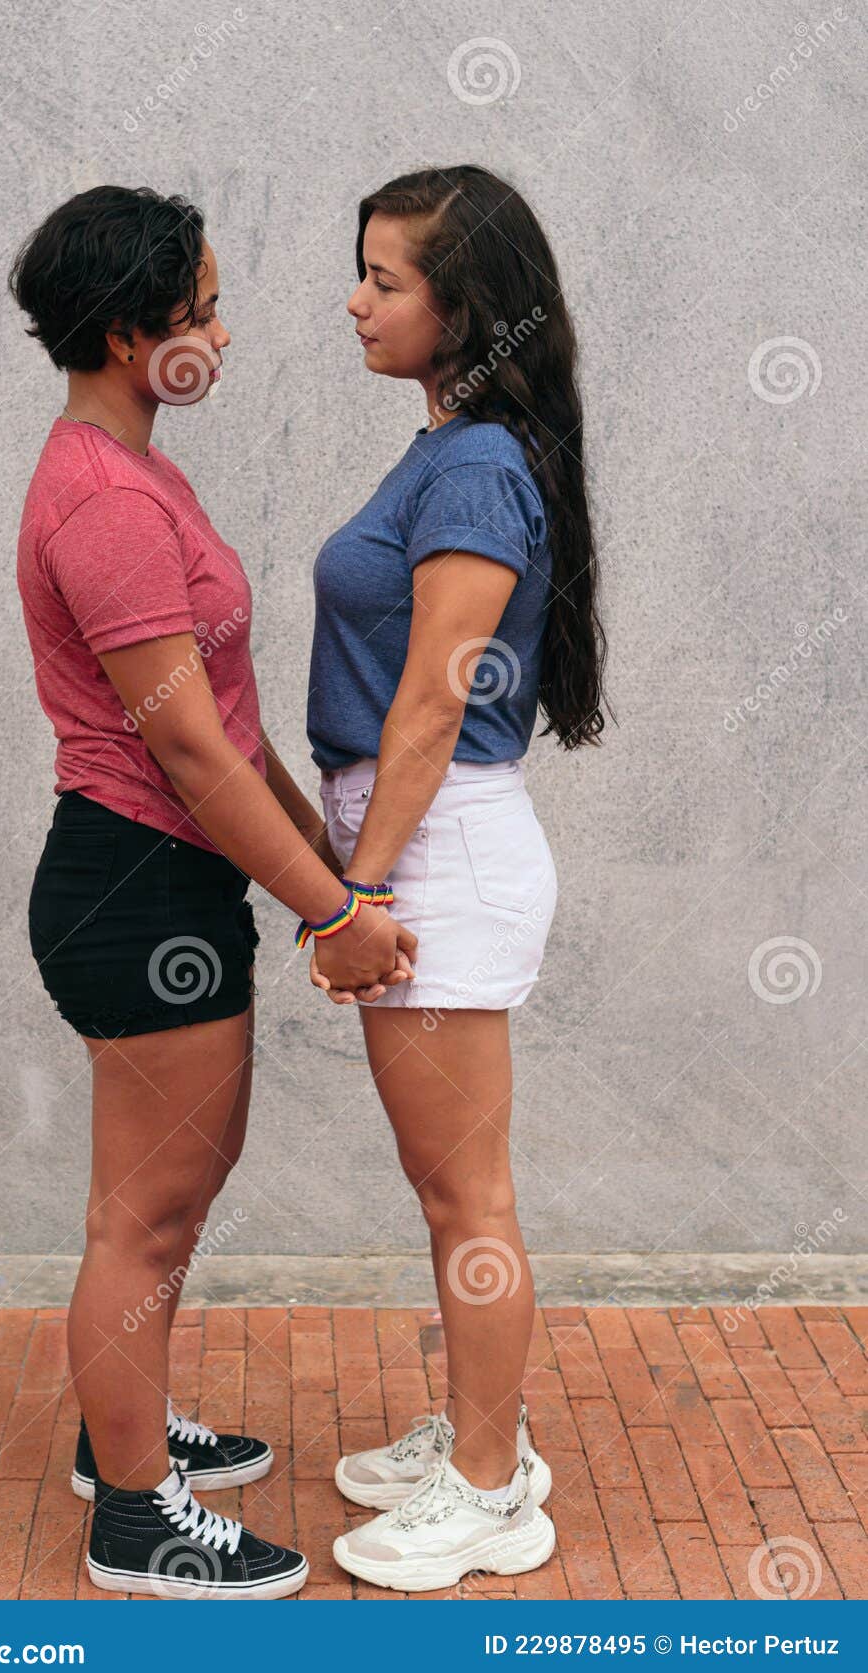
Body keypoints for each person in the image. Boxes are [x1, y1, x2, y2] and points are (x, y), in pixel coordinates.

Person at [9, 185, 416, 1598]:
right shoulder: (106, 499)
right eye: (200, 312)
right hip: (137, 887)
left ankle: (119, 1426)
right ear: (131, 335)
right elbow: (185, 747)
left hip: (167, 881)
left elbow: (228, 727)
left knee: (164, 1200)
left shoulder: (138, 469)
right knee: (148, 1216)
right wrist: (330, 912)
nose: (222, 333)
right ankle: (136, 1512)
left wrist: (332, 874)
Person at [305, 165, 608, 1593]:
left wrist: (356, 892)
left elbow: (432, 703)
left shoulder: (477, 463)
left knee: (468, 1197)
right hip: (412, 837)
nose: (355, 302)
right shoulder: (452, 449)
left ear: (464, 305)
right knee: (452, 1192)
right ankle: (487, 1437)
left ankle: (494, 1490)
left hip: (435, 849)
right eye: (361, 273)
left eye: (387, 279)